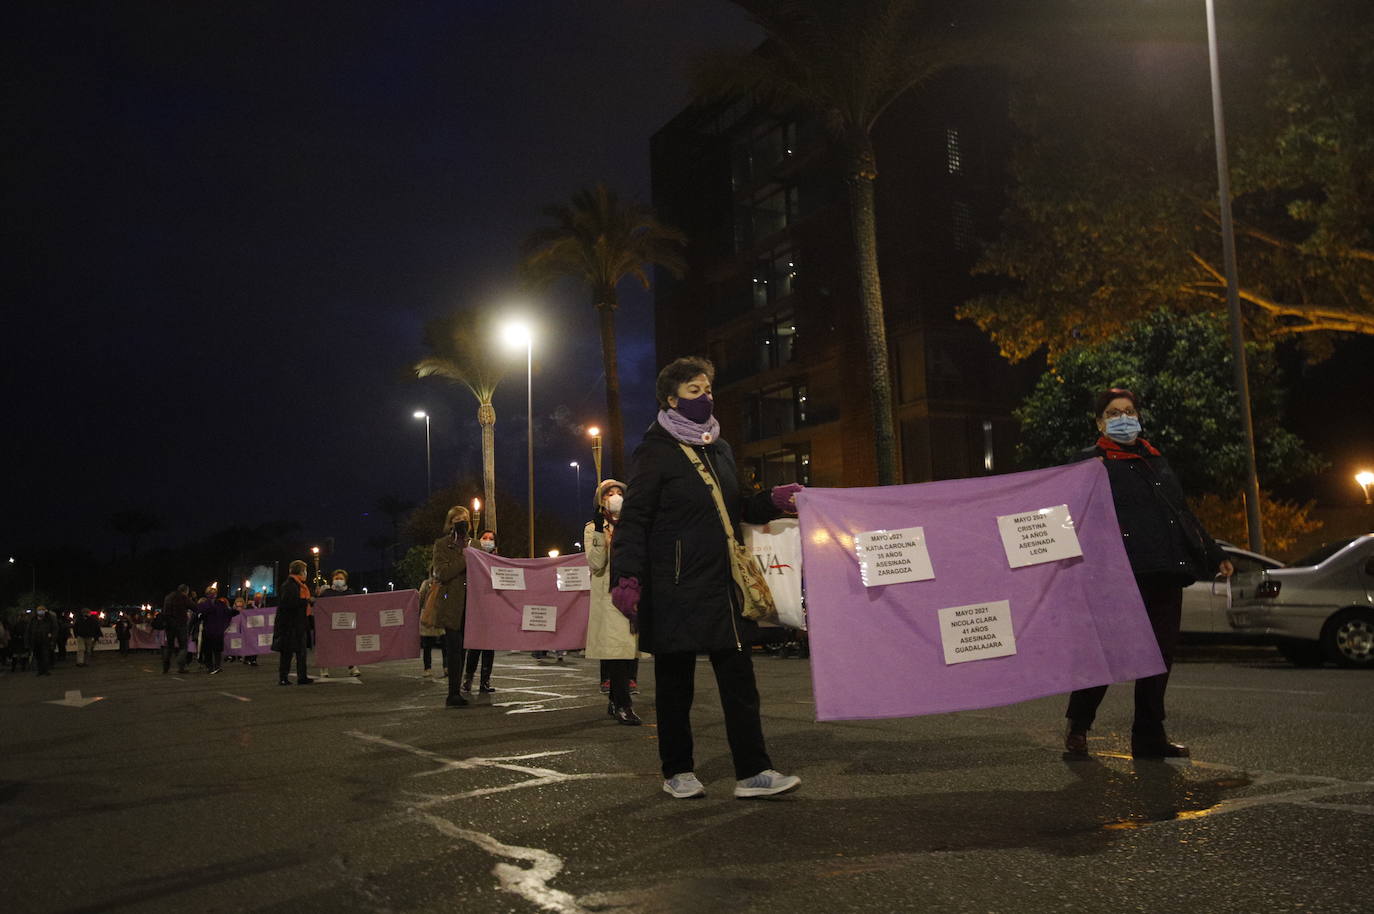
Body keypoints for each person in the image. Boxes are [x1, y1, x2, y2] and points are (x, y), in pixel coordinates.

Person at [611, 356, 803, 799]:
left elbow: (737, 508)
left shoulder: (721, 448)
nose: (706, 398)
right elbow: (635, 520)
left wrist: (772, 500)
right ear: (670, 399)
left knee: (740, 681)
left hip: (724, 584)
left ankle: (754, 772)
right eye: (695, 391)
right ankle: (677, 770)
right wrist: (627, 577)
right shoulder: (654, 451)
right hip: (674, 585)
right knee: (676, 685)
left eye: (708, 390)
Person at [1064, 388, 1233, 759]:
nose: (1122, 418)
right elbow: (1067, 513)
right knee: (1106, 656)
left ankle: (1149, 735)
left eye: (1128, 411)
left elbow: (1180, 512)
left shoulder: (1156, 460)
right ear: (1099, 422)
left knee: (1158, 657)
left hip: (1164, 571)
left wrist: (1214, 551)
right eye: (1112, 413)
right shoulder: (1089, 463)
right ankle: (1078, 726)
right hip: (1116, 576)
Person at [585, 479, 640, 724]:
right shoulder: (593, 528)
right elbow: (596, 564)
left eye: (619, 493)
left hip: (632, 593)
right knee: (617, 651)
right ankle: (623, 704)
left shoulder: (634, 525)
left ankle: (616, 699)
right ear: (601, 500)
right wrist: (599, 532)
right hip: (609, 597)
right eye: (609, 493)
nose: (615, 496)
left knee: (629, 652)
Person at [432, 505, 471, 708]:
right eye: (456, 519)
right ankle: (453, 693)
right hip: (452, 604)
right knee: (454, 648)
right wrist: (465, 559)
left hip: (472, 604)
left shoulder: (475, 545)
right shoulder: (441, 545)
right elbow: (441, 573)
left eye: (464, 518)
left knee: (466, 648)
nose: (461, 521)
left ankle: (464, 685)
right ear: (450, 522)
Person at [460, 531, 499, 694]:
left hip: (492, 610)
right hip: (475, 609)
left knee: (489, 647)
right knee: (475, 646)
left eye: (491, 539)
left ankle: (485, 681)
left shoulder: (498, 561)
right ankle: (468, 680)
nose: (487, 541)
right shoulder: (472, 559)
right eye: (484, 538)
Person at [274, 560, 314, 686]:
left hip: (299, 623)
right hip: (290, 624)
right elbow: (288, 603)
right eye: (305, 570)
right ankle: (283, 677)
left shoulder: (298, 585)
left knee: (301, 652)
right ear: (301, 571)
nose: (306, 573)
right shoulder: (290, 585)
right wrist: (306, 601)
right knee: (287, 652)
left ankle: (302, 677)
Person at [315, 569, 361, 678]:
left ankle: (352, 667)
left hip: (346, 624)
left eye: (341, 578)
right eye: (336, 578)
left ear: (345, 580)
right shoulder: (326, 593)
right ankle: (324, 668)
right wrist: (317, 596)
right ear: (332, 580)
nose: (338, 580)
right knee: (327, 646)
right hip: (329, 625)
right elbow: (318, 607)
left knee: (348, 645)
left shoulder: (350, 592)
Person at [196, 586, 239, 674]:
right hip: (208, 631)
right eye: (211, 592)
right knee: (208, 650)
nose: (213, 594)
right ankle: (210, 667)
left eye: (214, 592)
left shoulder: (220, 604)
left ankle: (217, 666)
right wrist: (206, 612)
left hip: (218, 631)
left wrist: (235, 611)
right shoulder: (203, 605)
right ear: (207, 594)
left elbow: (227, 612)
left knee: (218, 650)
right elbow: (199, 616)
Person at [161, 585, 195, 675]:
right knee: (183, 646)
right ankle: (181, 665)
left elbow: (164, 611)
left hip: (169, 624)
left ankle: (165, 667)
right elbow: (194, 607)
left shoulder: (168, 597)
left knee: (169, 646)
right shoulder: (184, 597)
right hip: (181, 624)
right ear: (186, 591)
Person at [418, 575, 447, 680]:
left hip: (428, 616)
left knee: (427, 645)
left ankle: (428, 669)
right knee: (445, 644)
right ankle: (446, 667)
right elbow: (446, 598)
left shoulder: (426, 584)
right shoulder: (444, 583)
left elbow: (420, 599)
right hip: (439, 616)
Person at [26, 605, 59, 676]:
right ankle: (40, 670)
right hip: (35, 640)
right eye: (39, 610)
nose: (41, 611)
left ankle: (45, 670)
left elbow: (54, 629)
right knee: (38, 656)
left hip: (46, 640)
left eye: (42, 610)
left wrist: (52, 638)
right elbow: (29, 630)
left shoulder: (49, 619)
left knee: (45, 655)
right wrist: (28, 640)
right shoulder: (33, 619)